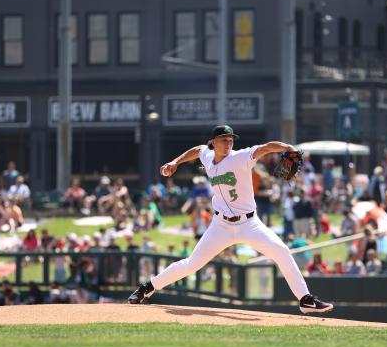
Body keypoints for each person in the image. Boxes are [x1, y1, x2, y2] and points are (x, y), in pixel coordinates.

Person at [128, 124, 333, 313]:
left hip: (249, 224)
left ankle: (305, 299)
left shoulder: (240, 157)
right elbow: (198, 150)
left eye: (231, 139)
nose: (228, 143)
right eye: (224, 139)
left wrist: (286, 146)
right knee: (192, 264)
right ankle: (148, 287)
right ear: (213, 143)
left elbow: (266, 147)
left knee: (281, 251)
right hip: (221, 225)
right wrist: (175, 162)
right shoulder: (207, 156)